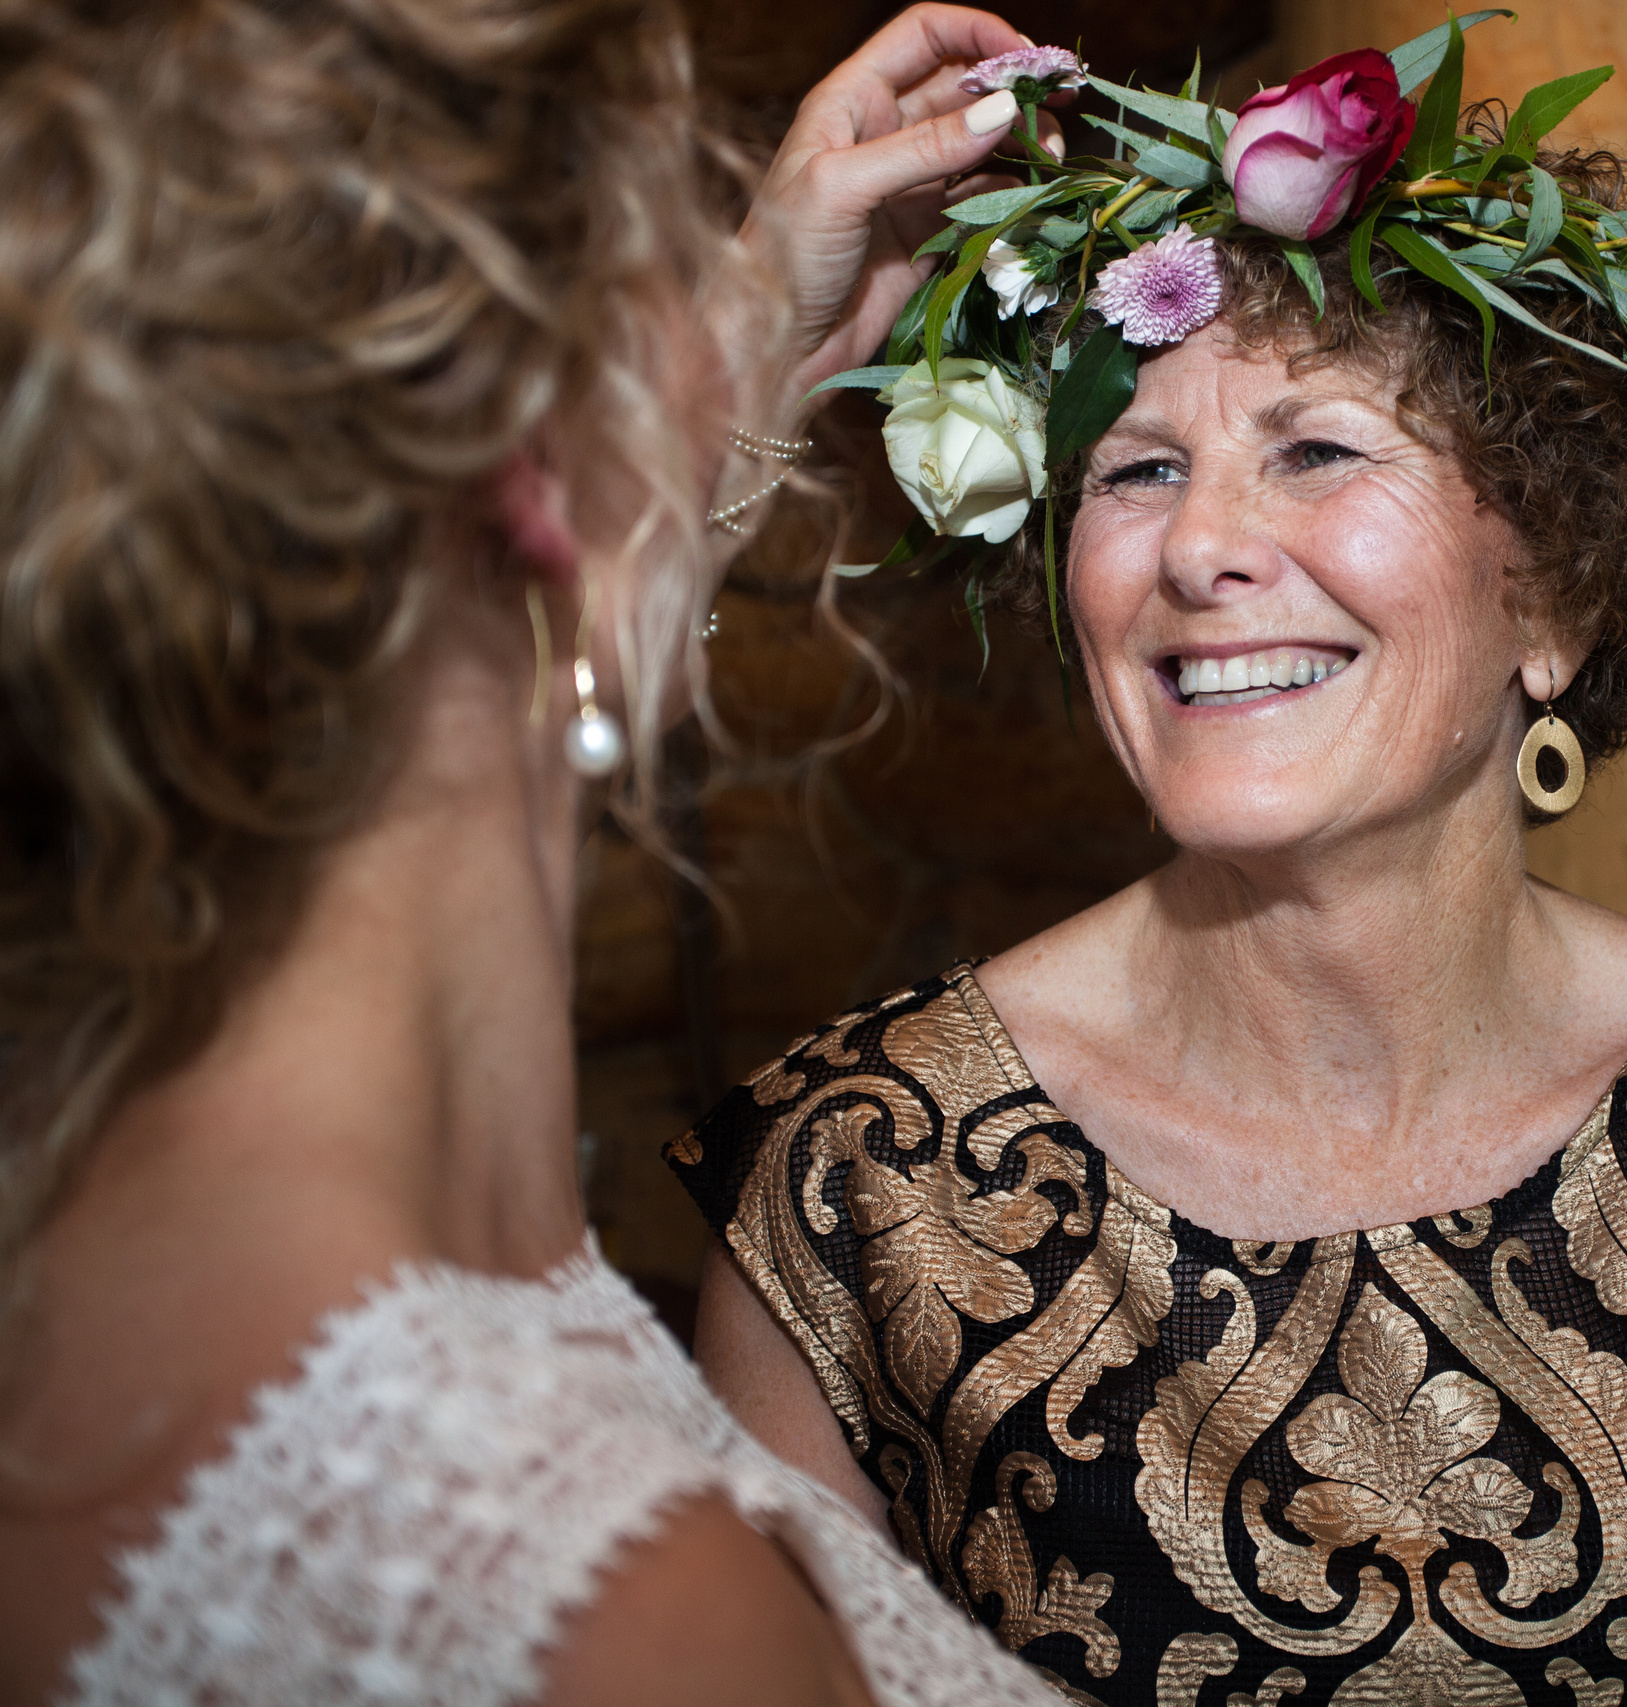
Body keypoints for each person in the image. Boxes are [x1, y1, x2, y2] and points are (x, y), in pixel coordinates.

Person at [672, 33, 1627, 1707]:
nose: (1198, 548)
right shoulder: (853, 1194)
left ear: (1555, 596)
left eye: (1315, 450)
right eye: (1136, 469)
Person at [0, 3, 1075, 1703]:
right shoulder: (611, 1620)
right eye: (663, 266)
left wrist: (732, 345)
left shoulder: (101, 1226)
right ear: (543, 474)